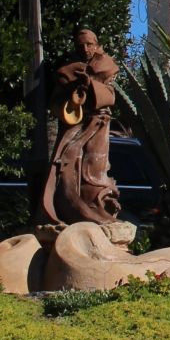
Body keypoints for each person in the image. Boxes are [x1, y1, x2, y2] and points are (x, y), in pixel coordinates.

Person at [42, 29, 123, 226]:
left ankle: (96, 208)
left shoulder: (106, 66)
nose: (85, 49)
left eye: (89, 44)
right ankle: (69, 211)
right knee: (68, 163)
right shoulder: (68, 70)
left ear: (96, 45)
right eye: (80, 46)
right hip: (73, 125)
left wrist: (91, 86)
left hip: (98, 124)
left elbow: (110, 96)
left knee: (95, 166)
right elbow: (55, 102)